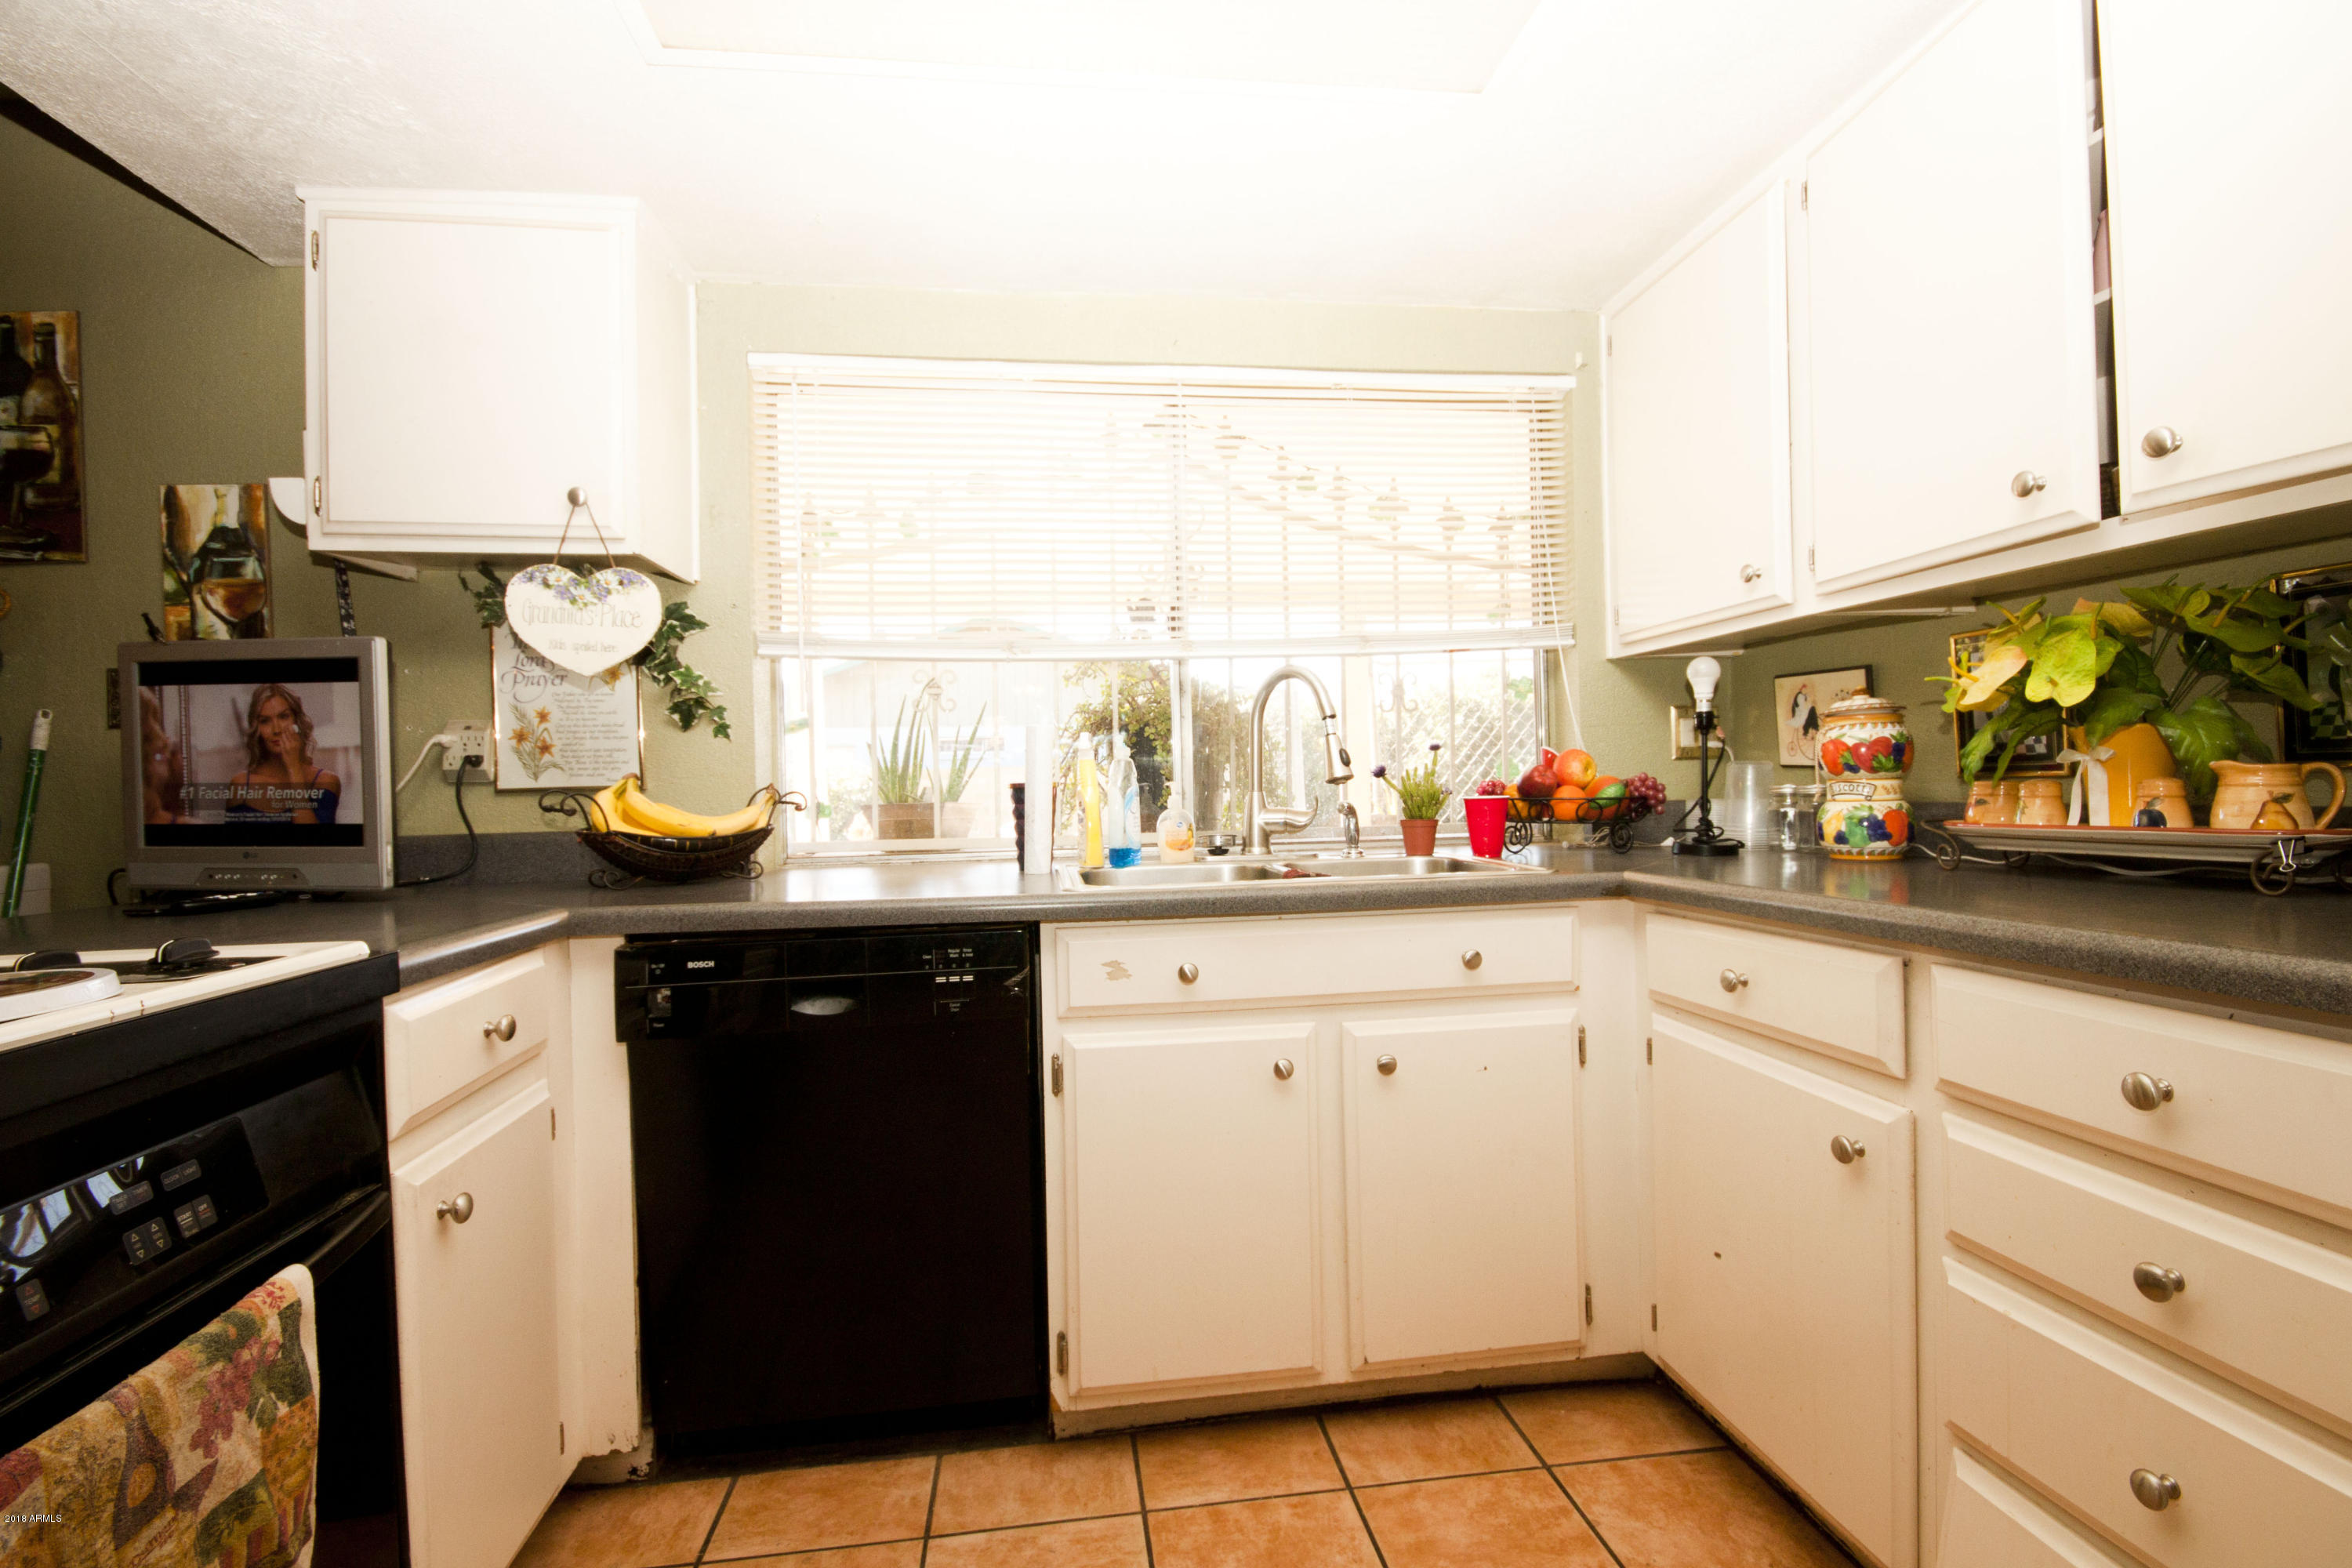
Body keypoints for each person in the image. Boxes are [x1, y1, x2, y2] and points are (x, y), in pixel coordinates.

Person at [226, 684, 340, 825]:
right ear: (257, 729)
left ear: (297, 721)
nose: (276, 729)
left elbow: (312, 845)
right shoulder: (241, 784)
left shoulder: (326, 781)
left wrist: (294, 769)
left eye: (283, 717)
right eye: (265, 721)